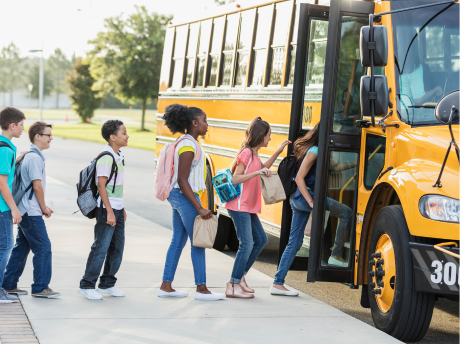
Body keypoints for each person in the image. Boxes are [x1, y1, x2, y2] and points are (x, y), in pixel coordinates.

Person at [271, 122, 353, 296]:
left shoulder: (320, 150)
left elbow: (336, 168)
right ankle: (336, 255)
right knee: (347, 212)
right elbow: (299, 178)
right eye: (334, 132)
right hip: (304, 197)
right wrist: (311, 202)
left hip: (298, 199)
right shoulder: (315, 151)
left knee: (295, 242)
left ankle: (278, 283)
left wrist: (356, 164)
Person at [158, 104, 225, 301]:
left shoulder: (188, 142)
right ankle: (202, 290)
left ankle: (166, 286)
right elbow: (182, 180)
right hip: (183, 195)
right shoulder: (187, 145)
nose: (207, 125)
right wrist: (199, 207)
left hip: (180, 195)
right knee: (198, 241)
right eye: (204, 121)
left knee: (178, 239)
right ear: (194, 123)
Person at [225, 117, 290, 298]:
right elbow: (236, 178)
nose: (270, 139)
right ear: (261, 136)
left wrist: (278, 151)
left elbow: (264, 168)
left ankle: (240, 276)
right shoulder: (246, 153)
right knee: (246, 243)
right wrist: (256, 172)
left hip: (248, 206)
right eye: (269, 135)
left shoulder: (254, 154)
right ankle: (233, 284)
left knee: (261, 240)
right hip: (239, 205)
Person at [3, 121, 60, 298]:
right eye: (48, 135)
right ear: (37, 136)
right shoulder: (34, 158)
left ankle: (9, 284)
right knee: (43, 246)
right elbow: (37, 187)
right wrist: (44, 207)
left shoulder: (29, 155)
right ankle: (40, 287)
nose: (51, 138)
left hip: (25, 209)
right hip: (31, 211)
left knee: (22, 247)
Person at [78, 120, 129, 300]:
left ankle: (107, 284)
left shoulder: (118, 155)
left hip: (116, 208)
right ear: (112, 137)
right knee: (100, 247)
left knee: (117, 248)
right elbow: (101, 185)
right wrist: (109, 211)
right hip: (105, 209)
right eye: (124, 133)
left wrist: (121, 208)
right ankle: (86, 285)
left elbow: (115, 187)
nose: (127, 136)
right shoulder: (107, 157)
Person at [0, 107, 26, 303]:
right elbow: (2, 184)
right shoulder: (5, 150)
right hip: (2, 209)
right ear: (12, 125)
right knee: (6, 247)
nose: (23, 129)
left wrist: (16, 159)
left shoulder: (5, 148)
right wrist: (14, 208)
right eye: (21, 125)